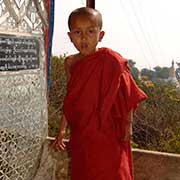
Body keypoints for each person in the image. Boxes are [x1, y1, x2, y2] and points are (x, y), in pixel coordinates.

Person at [52, 7, 147, 180]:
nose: (83, 38)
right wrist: (62, 131)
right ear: (70, 36)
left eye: (90, 31)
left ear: (100, 35)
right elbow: (71, 98)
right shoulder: (71, 63)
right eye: (77, 32)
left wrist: (128, 125)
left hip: (108, 135)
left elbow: (128, 95)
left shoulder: (112, 60)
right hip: (82, 135)